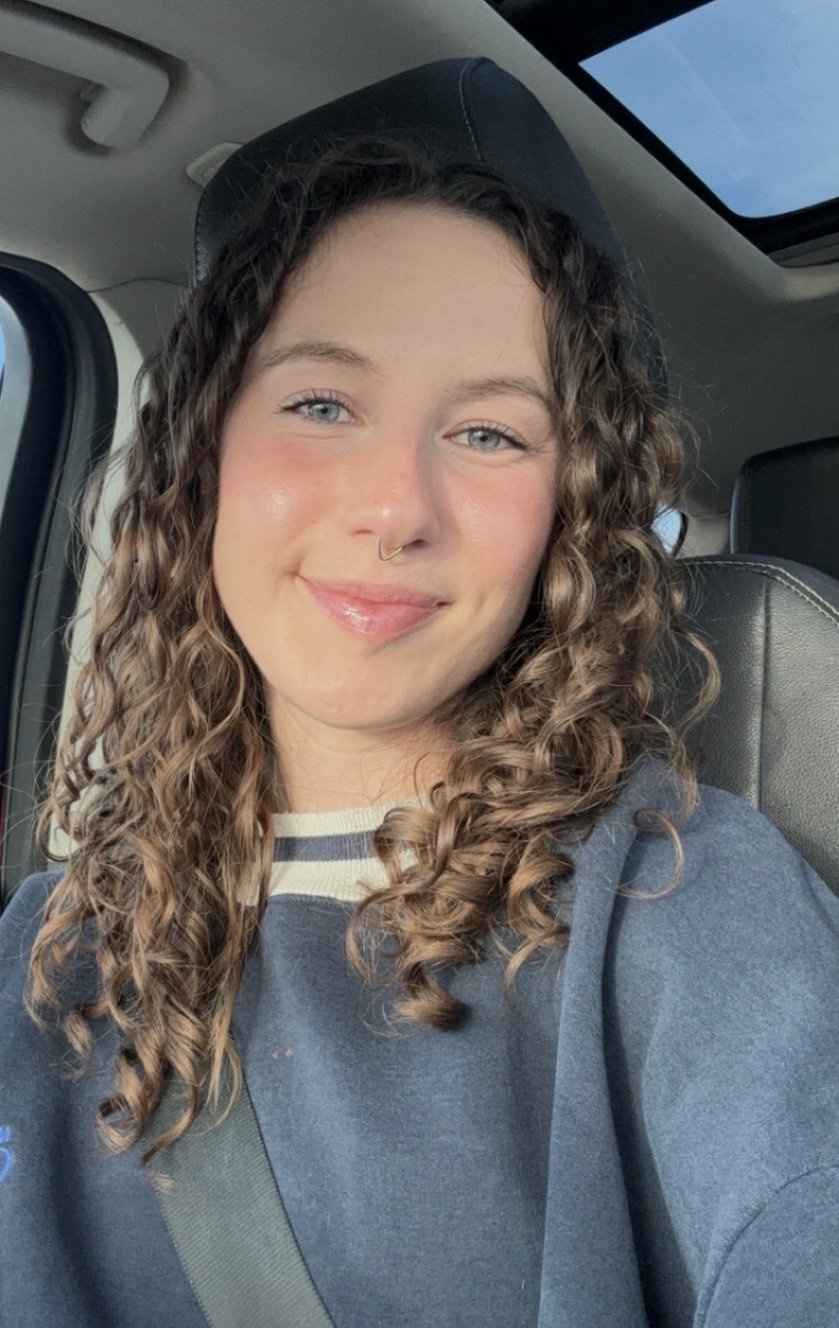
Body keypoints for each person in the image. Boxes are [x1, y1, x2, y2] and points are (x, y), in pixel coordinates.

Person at [2, 135, 839, 1328]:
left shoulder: (677, 898)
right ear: (200, 458)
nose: (396, 506)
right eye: (320, 403)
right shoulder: (50, 939)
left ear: (566, 511)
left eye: (488, 431)